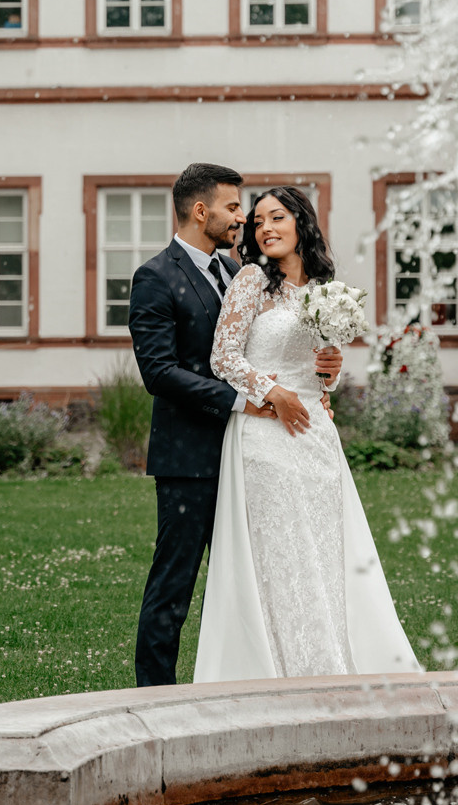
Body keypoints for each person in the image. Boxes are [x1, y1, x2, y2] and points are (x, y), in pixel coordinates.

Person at [194, 186, 420, 682]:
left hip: (316, 435)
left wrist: (331, 369)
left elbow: (322, 374)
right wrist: (274, 394)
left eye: (277, 217)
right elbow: (223, 358)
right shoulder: (252, 280)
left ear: (302, 222)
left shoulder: (323, 288)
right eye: (258, 222)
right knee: (280, 553)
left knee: (323, 550)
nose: (266, 228)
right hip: (263, 435)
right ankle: (279, 667)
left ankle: (331, 661)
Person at [128, 164, 341, 687]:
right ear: (200, 211)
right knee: (174, 583)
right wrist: (244, 403)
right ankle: (156, 699)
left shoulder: (241, 272)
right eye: (232, 207)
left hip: (253, 456)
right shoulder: (156, 277)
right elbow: (159, 372)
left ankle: (253, 676)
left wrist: (322, 373)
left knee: (254, 578)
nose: (242, 218)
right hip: (192, 458)